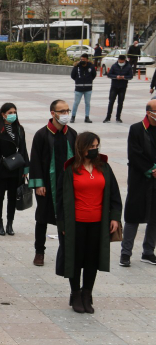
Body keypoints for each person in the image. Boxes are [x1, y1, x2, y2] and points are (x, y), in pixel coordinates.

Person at [56, 132, 122, 314]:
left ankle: (87, 294)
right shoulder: (69, 169)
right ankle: (75, 294)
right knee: (75, 260)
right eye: (90, 147)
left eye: (96, 147)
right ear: (81, 148)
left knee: (92, 260)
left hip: (98, 223)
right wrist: (62, 225)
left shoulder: (104, 167)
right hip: (75, 223)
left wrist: (115, 217)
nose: (94, 150)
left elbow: (115, 194)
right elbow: (60, 200)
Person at [29, 99, 78, 268]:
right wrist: (38, 184)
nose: (65, 114)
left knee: (66, 218)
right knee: (42, 218)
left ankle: (66, 251)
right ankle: (39, 252)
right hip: (47, 186)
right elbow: (34, 160)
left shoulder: (72, 134)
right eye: (62, 111)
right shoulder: (42, 134)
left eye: (67, 111)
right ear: (53, 113)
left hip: (66, 186)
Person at [120, 101, 156, 267]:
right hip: (139, 178)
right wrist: (151, 169)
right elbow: (134, 154)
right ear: (149, 112)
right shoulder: (136, 129)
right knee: (133, 215)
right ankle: (125, 253)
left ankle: (148, 252)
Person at [0, 103, 29, 237]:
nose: (13, 115)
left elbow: (23, 149)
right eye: (10, 112)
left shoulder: (19, 129)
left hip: (16, 168)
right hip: (1, 168)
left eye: (14, 112)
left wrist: (25, 168)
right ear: (3, 114)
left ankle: (10, 224)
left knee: (13, 197)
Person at [104, 53, 133, 123]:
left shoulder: (128, 67)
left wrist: (124, 77)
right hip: (114, 86)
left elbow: (131, 76)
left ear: (124, 61)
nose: (121, 62)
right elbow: (109, 74)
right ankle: (108, 117)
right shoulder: (114, 66)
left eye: (122, 61)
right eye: (120, 61)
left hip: (122, 87)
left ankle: (118, 117)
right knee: (111, 102)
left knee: (120, 103)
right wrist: (116, 76)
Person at [71, 53, 96, 123]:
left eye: (84, 59)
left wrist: (88, 80)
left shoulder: (91, 67)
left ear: (87, 60)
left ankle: (87, 117)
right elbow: (73, 75)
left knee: (87, 103)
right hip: (79, 89)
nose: (82, 61)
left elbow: (94, 75)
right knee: (76, 103)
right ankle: (73, 117)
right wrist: (78, 80)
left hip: (88, 89)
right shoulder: (77, 66)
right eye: (81, 59)